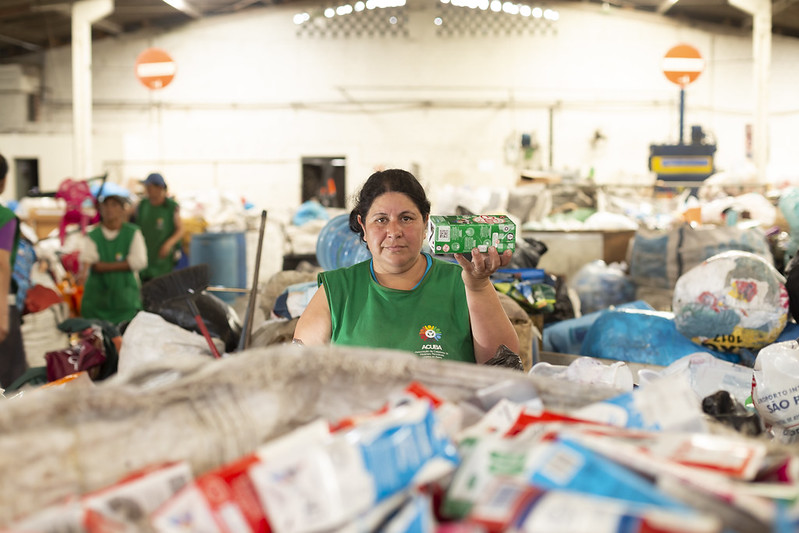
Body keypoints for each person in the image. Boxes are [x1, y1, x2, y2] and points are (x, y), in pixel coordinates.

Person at [294, 168, 520, 364]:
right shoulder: (337, 291)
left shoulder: (464, 282)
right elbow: (297, 374)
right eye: (381, 220)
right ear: (363, 226)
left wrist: (478, 286)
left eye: (406, 218)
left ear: (425, 224)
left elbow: (502, 369)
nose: (394, 232)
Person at [78, 195, 147, 325]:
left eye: (114, 205)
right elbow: (87, 260)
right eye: (106, 205)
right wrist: (83, 273)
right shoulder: (93, 234)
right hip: (97, 301)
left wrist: (103, 267)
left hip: (125, 301)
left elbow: (139, 261)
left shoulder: (132, 233)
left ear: (123, 210)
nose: (109, 209)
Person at [0, 153, 28, 388]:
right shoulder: (5, 217)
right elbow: (2, 263)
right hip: (2, 300)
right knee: (10, 376)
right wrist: (2, 315)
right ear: (4, 181)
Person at [136, 172, 183, 283]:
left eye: (150, 187)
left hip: (162, 257)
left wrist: (168, 244)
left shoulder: (171, 207)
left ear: (160, 188)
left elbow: (180, 229)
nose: (147, 190)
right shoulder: (142, 205)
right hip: (144, 253)